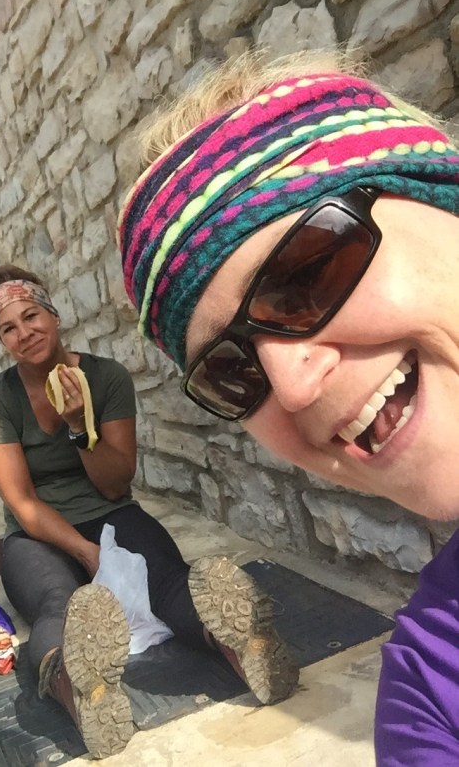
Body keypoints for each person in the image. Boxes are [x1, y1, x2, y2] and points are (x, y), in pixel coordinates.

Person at [116, 49, 459, 766]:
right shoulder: (429, 690)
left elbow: (113, 473)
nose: (293, 387)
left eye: (309, 269)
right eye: (231, 371)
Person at [0, 264, 298, 759]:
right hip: (36, 534)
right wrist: (85, 552)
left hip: (110, 511)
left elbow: (114, 482)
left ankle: (242, 645)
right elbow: (22, 502)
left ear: (53, 314)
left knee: (166, 582)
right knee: (59, 604)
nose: (24, 333)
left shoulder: (106, 377)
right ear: (1, 340)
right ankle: (82, 693)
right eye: (8, 328)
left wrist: (79, 426)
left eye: (31, 316)